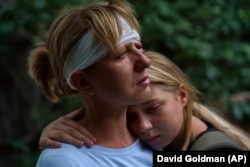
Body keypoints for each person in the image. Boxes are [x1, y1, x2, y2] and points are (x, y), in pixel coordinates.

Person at [38, 51, 250, 151]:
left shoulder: (220, 153)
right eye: (129, 116)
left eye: (154, 108)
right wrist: (61, 129)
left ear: (182, 96)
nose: (143, 126)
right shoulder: (162, 145)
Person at [28, 0, 154, 166]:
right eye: (121, 55)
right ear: (83, 81)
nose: (145, 61)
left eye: (138, 47)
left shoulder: (157, 135)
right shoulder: (65, 161)